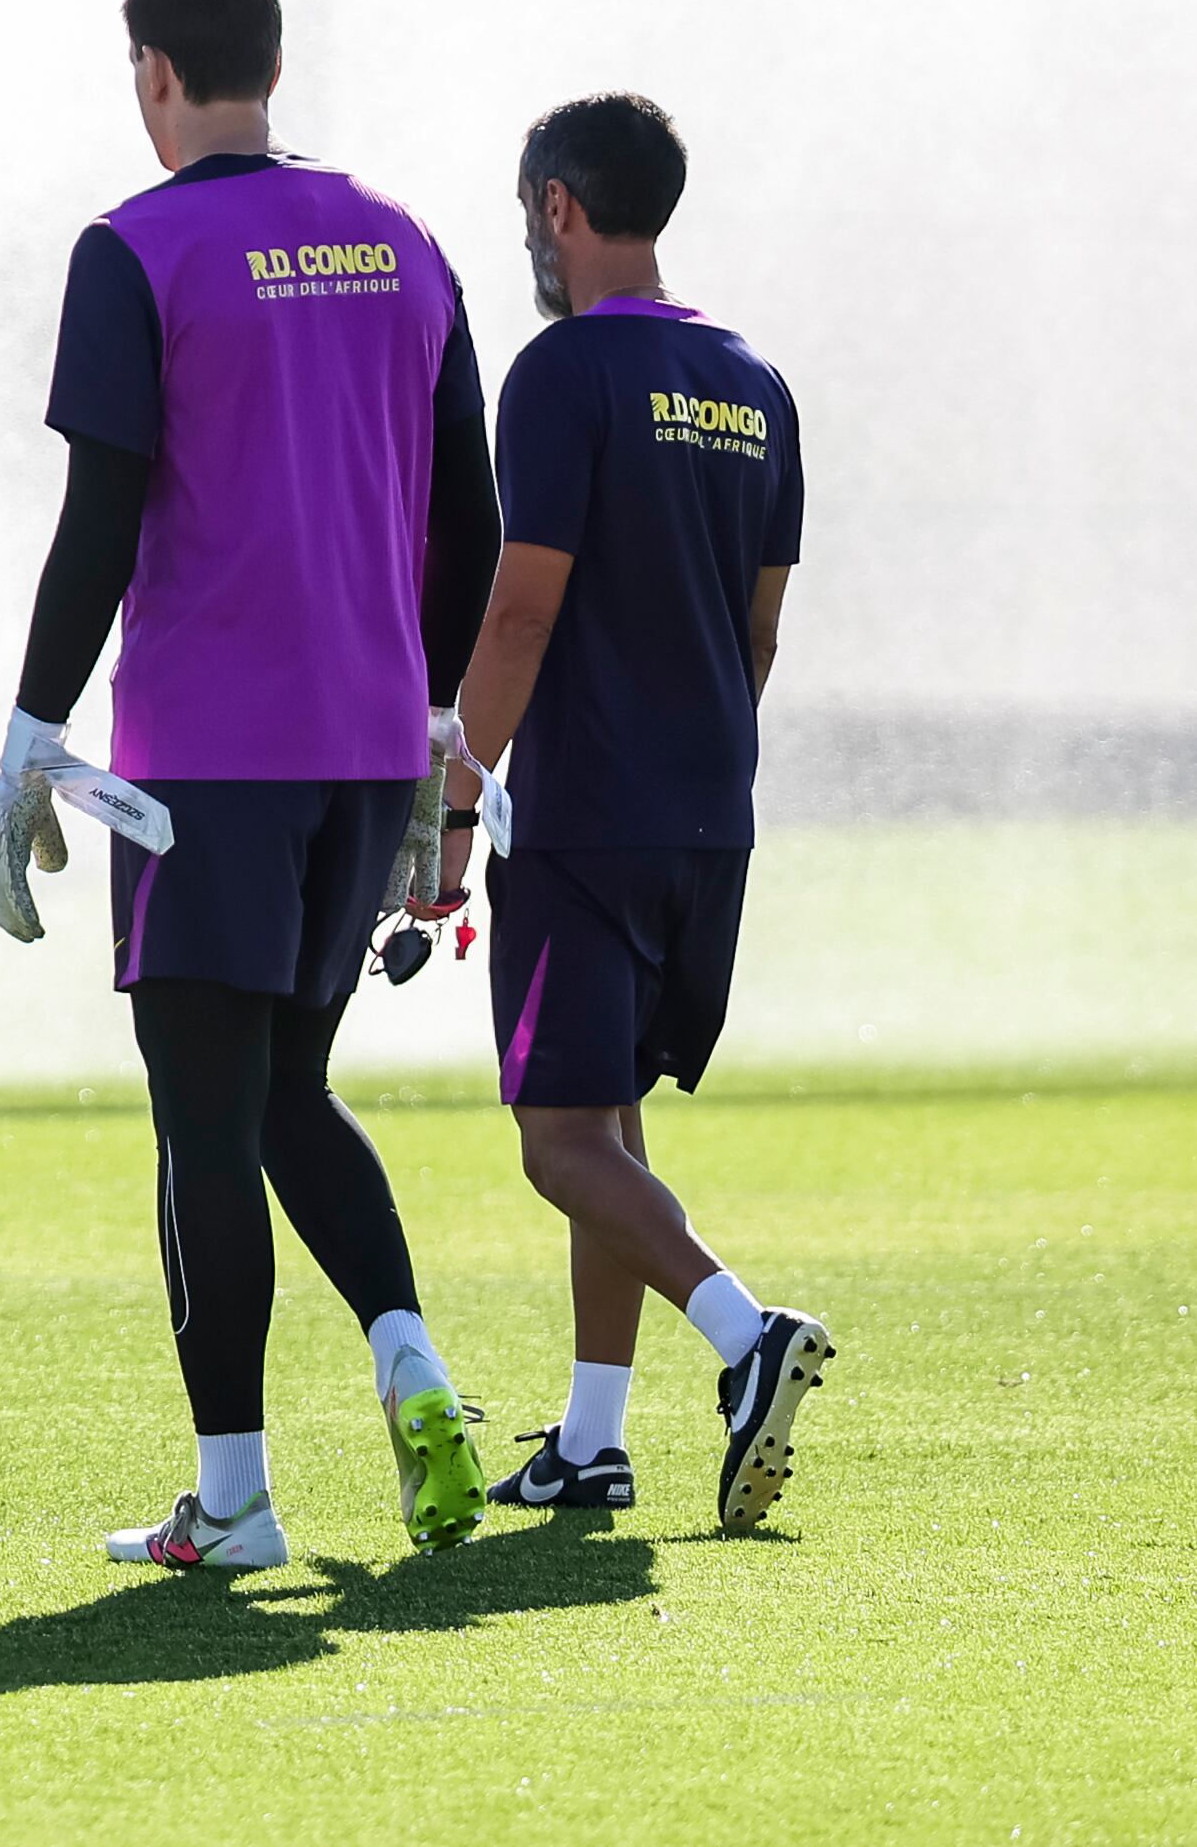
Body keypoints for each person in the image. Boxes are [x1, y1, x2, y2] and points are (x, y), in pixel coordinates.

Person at [0, 0, 504, 1572]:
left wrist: (24, 732)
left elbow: (101, 517)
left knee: (203, 1122)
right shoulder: (407, 239)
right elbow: (471, 526)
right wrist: (439, 734)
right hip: (361, 751)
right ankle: (412, 1363)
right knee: (287, 1091)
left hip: (204, 761)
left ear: (152, 74)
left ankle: (236, 1500)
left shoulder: (135, 247)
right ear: (269, 62)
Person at [425, 92, 832, 1533]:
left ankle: (745, 1337)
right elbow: (762, 629)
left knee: (555, 1136)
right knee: (611, 1119)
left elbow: (520, 610)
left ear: (557, 207)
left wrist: (452, 799)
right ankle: (593, 1440)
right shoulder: (756, 383)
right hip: (707, 812)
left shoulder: (561, 373)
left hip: (586, 814)